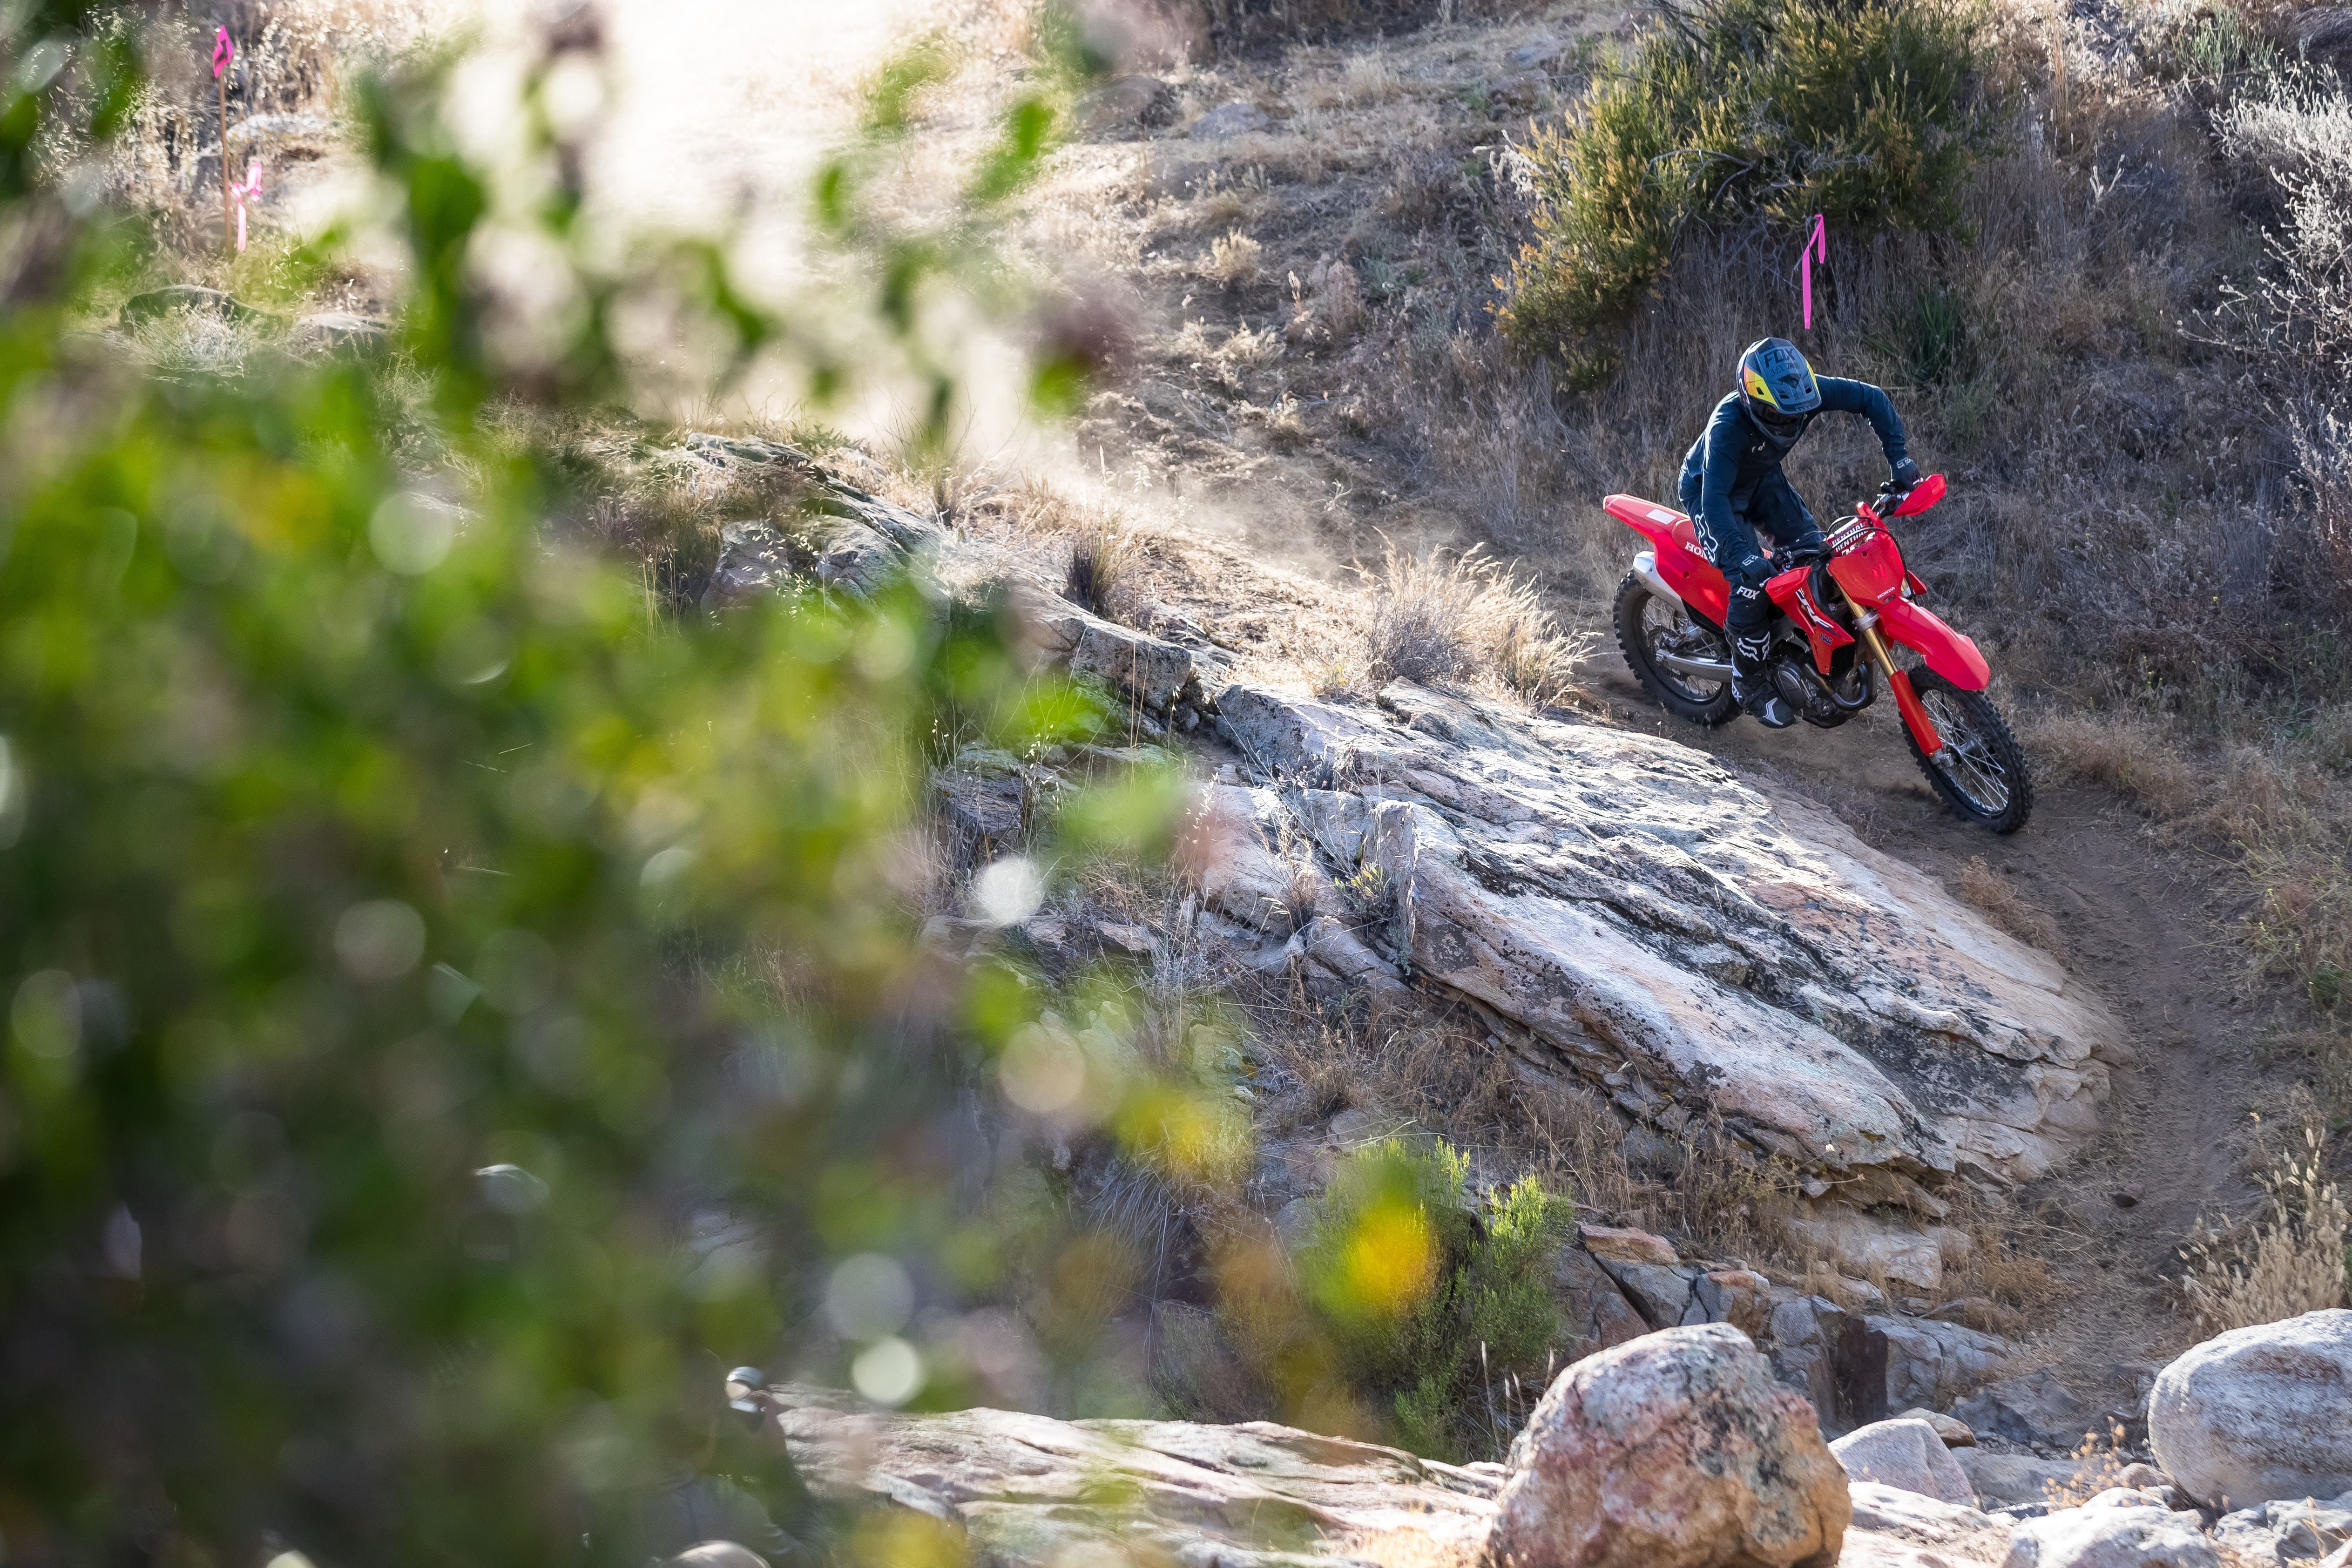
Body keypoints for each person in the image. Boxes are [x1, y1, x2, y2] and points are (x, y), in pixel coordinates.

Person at [1677, 338, 1921, 728]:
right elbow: (1715, 502)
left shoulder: (1803, 394)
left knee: (1818, 558)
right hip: (1711, 493)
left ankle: (1809, 653)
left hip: (1761, 480)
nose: (1792, 422)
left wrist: (1900, 459)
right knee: (1750, 582)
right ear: (1753, 403)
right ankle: (1748, 681)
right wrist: (1744, 558)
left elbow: (1871, 398)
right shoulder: (1726, 428)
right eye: (1780, 416)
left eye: (1798, 414)